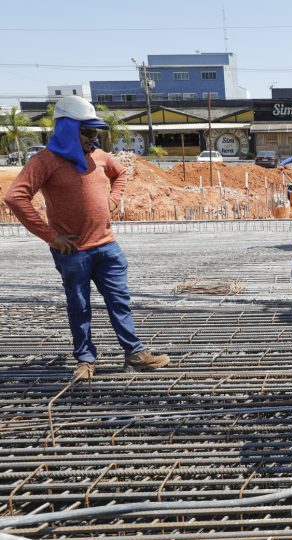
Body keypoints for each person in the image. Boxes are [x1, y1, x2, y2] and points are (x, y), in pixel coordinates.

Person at [3, 96, 170, 379]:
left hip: (107, 245)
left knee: (120, 301)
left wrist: (114, 200)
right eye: (87, 132)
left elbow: (121, 175)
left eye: (95, 133)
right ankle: (85, 360)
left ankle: (134, 354)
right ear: (68, 129)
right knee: (79, 305)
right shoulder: (44, 161)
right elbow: (15, 197)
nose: (93, 139)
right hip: (73, 251)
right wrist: (51, 235)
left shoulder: (100, 156)